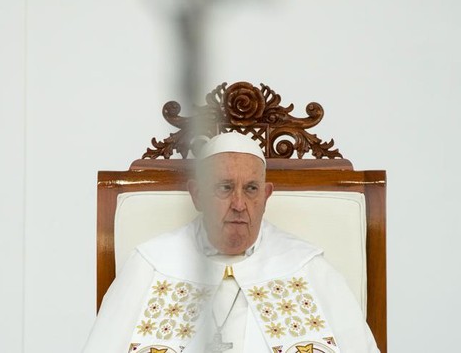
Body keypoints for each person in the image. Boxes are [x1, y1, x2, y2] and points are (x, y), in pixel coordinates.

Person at [82, 132, 379, 353]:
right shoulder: (151, 264)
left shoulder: (307, 266)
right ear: (197, 195)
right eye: (225, 188)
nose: (239, 204)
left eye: (251, 189)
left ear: (266, 195)